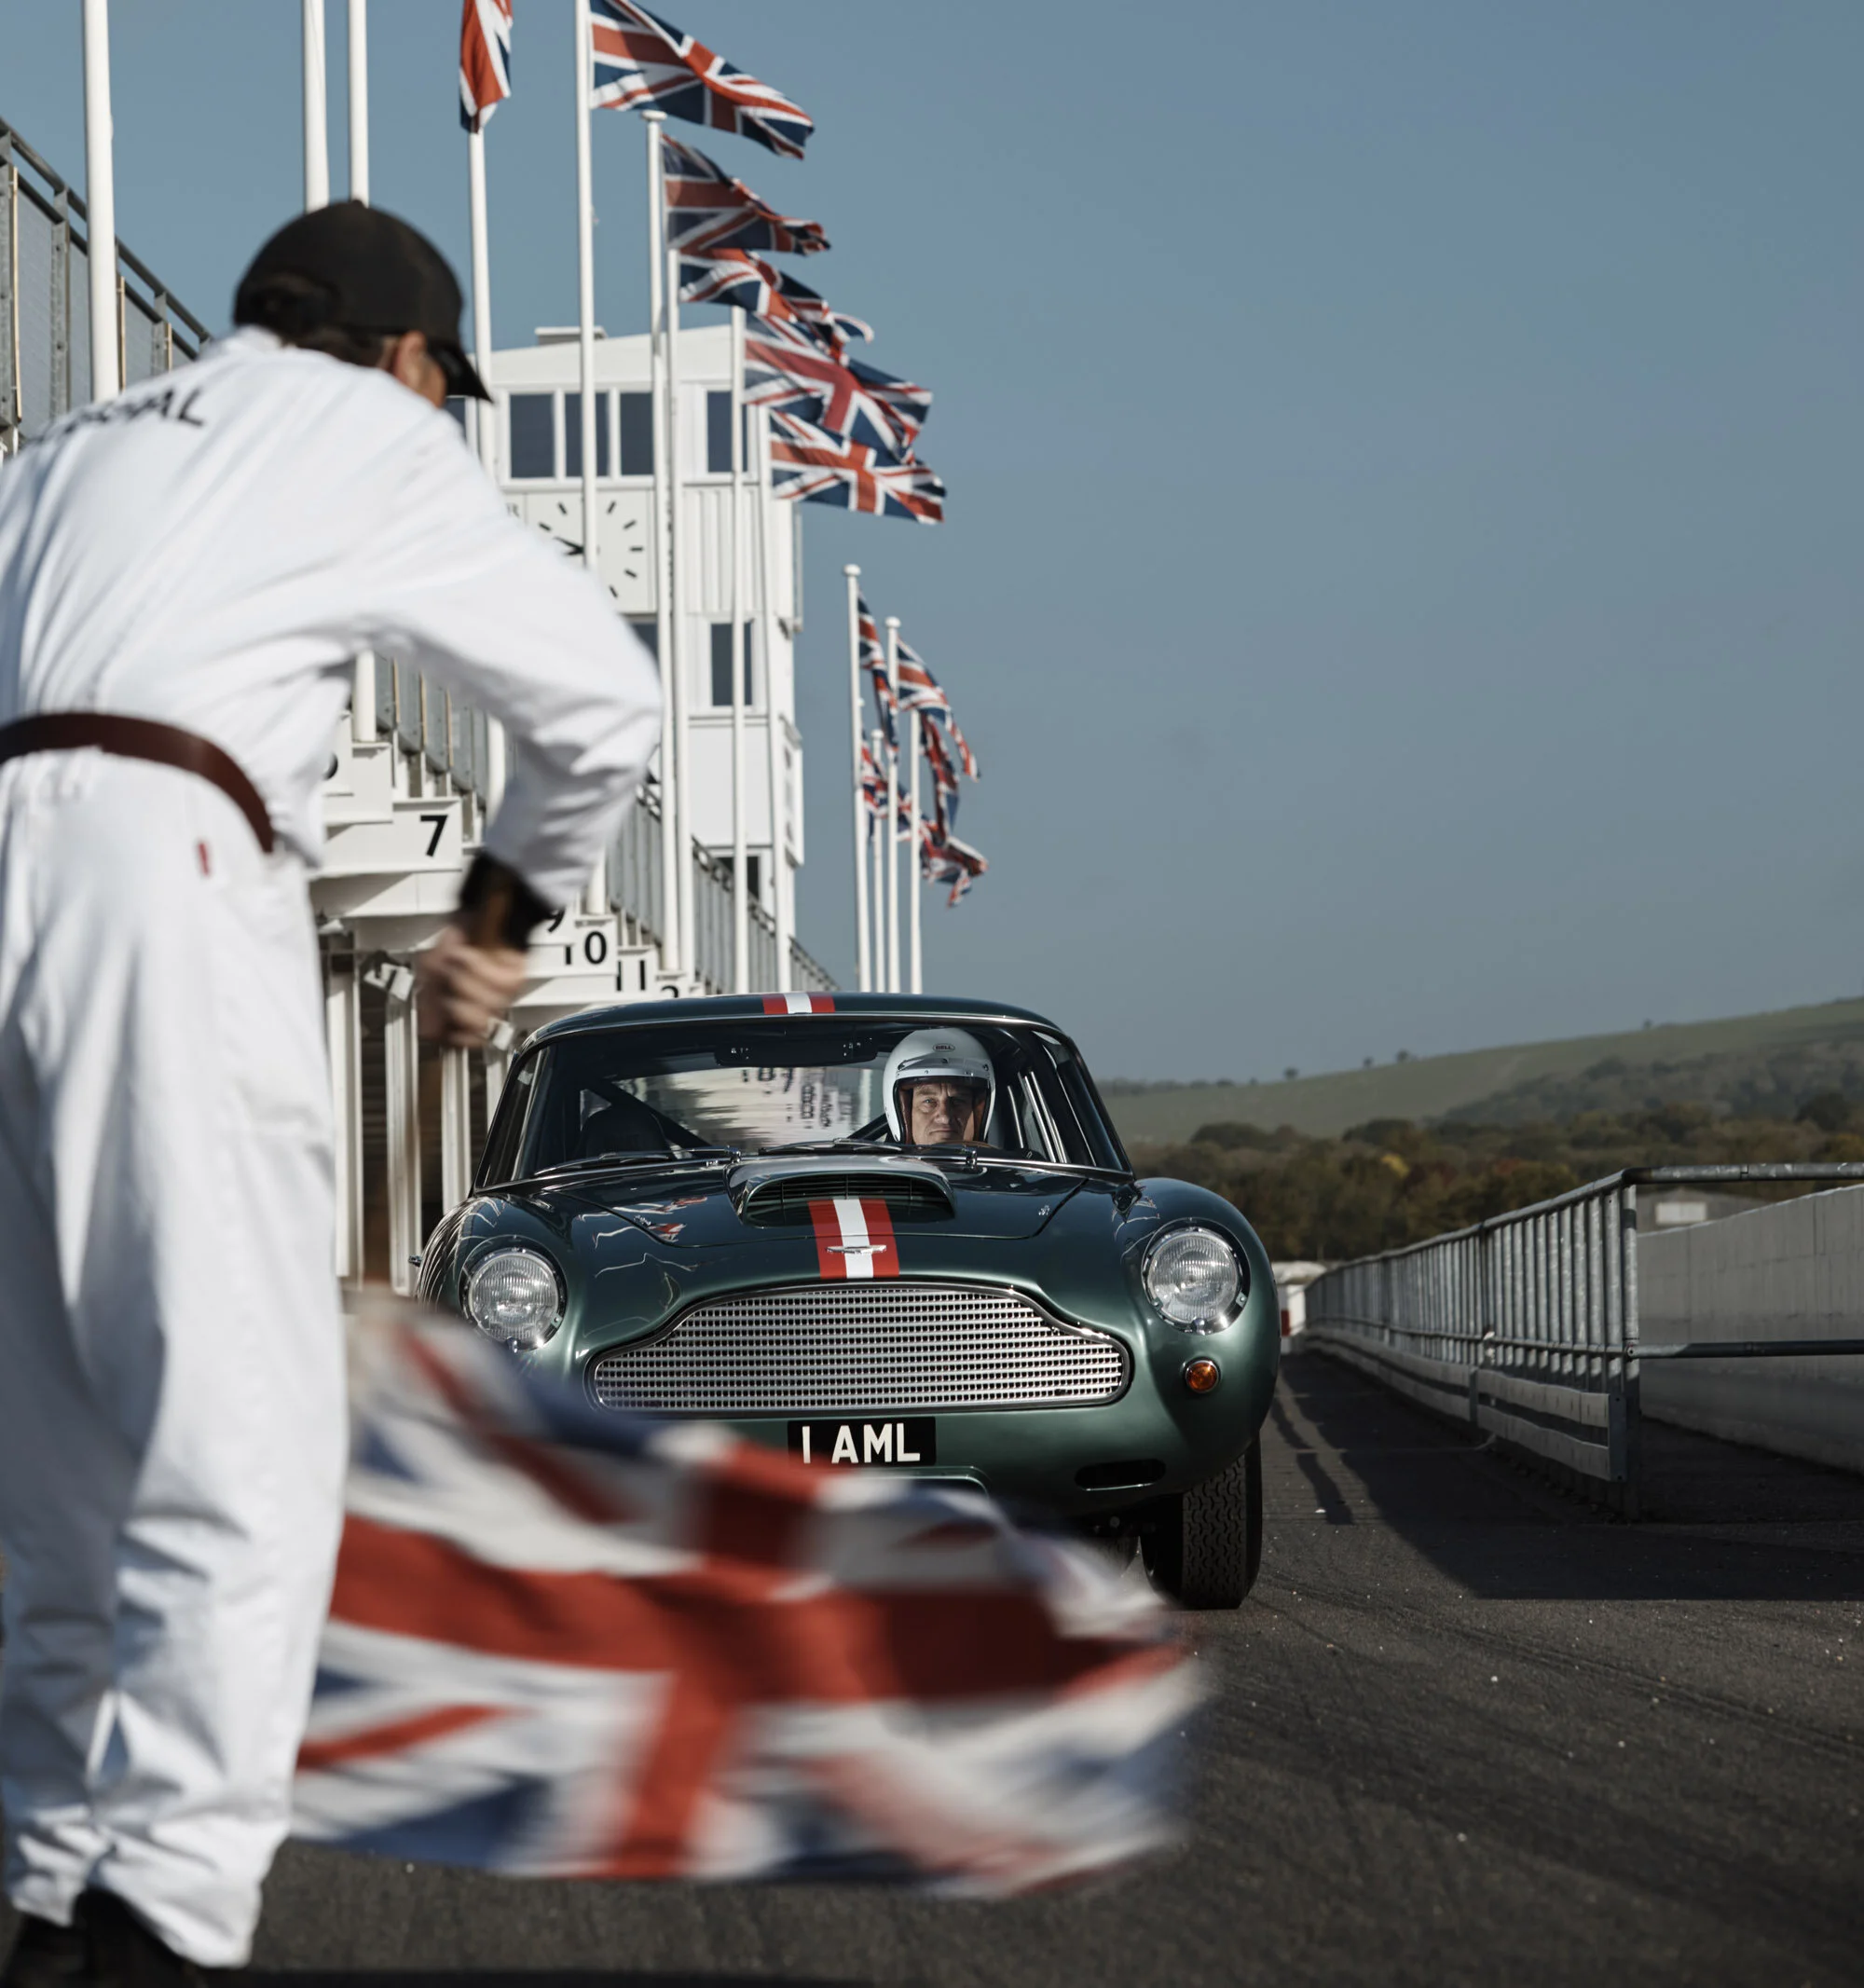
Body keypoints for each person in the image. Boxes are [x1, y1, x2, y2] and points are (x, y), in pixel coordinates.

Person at [0, 203, 661, 1985]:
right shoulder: (361, 426)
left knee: (50, 1457)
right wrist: (497, 924)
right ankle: (168, 1920)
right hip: (166, 866)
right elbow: (601, 701)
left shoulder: (75, 446)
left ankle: (53, 1887)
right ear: (402, 352)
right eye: (449, 386)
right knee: (247, 1437)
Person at [881, 1028, 996, 1147]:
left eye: (958, 1101)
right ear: (904, 1112)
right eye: (929, 1101)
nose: (945, 1117)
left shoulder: (1012, 1166)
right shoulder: (868, 1165)